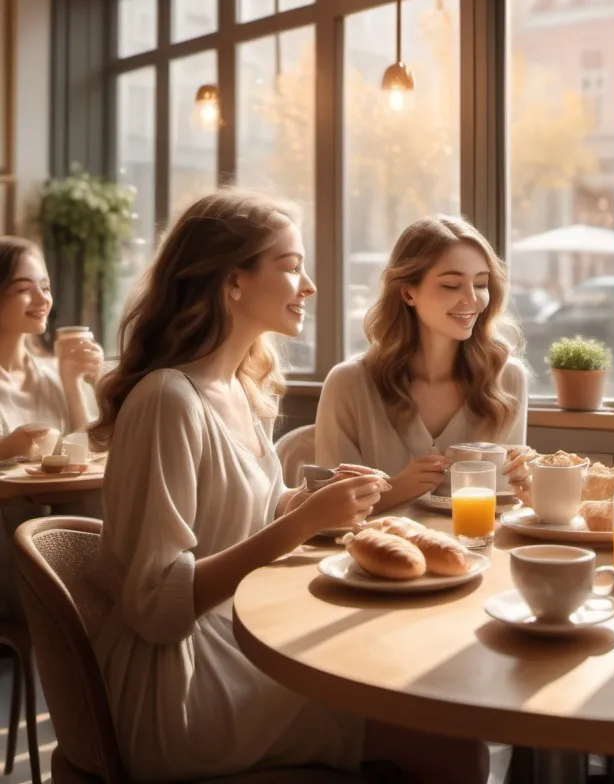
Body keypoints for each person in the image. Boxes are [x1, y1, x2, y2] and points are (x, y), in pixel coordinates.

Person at [90, 191, 486, 783]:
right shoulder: (168, 400)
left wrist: (310, 503)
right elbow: (154, 607)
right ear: (233, 283)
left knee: (433, 694)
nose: (310, 286)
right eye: (291, 266)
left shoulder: (241, 391)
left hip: (241, 640)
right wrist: (300, 523)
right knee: (451, 743)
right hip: (182, 685)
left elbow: (247, 514)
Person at [316, 215, 528, 512]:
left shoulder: (507, 379)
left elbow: (503, 502)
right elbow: (329, 512)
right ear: (407, 292)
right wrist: (399, 488)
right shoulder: (349, 383)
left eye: (481, 284)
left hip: (476, 552)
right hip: (370, 554)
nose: (472, 299)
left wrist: (525, 479)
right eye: (452, 285)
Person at [0, 236, 104, 617]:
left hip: (51, 529)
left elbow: (86, 455)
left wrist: (74, 382)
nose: (44, 299)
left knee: (101, 504)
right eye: (25, 289)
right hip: (9, 543)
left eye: (45, 287)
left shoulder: (48, 375)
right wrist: (6, 448)